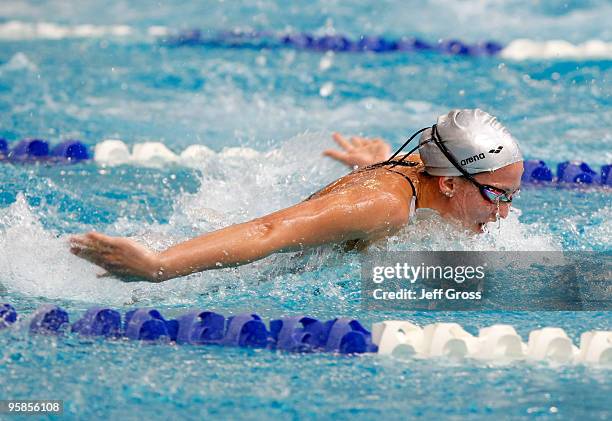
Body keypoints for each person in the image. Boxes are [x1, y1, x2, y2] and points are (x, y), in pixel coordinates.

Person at [70, 109, 523, 282]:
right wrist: (158, 265)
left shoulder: (421, 180)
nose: (502, 214)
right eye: (495, 196)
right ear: (447, 182)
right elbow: (272, 230)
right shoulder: (383, 207)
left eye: (510, 198)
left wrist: (372, 165)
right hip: (240, 269)